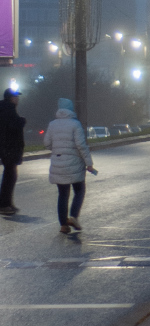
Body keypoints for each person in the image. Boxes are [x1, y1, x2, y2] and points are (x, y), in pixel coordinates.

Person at [44, 98, 96, 234]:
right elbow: (81, 146)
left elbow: (47, 143)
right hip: (74, 164)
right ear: (71, 109)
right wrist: (89, 163)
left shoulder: (52, 124)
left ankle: (63, 225)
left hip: (58, 163)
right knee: (79, 190)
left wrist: (57, 148)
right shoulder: (75, 124)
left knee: (62, 194)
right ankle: (73, 216)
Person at [0, 88, 26, 215]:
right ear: (10, 98)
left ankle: (7, 203)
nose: (18, 99)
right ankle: (4, 204)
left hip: (7, 147)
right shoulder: (8, 110)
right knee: (10, 176)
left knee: (10, 175)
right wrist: (21, 121)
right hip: (9, 148)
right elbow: (11, 127)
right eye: (16, 97)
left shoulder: (5, 108)